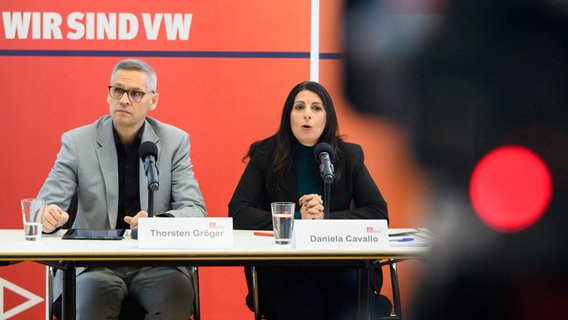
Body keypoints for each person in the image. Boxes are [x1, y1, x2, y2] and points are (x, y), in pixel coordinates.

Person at [37, 58, 207, 319]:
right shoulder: (77, 142)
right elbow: (43, 206)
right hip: (94, 265)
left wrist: (157, 223)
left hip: (157, 264)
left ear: (153, 100)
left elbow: (196, 211)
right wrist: (48, 216)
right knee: (91, 305)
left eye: (136, 93)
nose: (124, 100)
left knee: (174, 302)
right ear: (108, 95)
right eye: (117, 91)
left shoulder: (174, 143)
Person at [228, 81, 389, 320]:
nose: (307, 115)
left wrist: (325, 219)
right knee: (307, 304)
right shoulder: (265, 154)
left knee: (355, 303)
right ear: (288, 115)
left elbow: (379, 213)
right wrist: (296, 218)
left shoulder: (349, 156)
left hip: (340, 264)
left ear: (327, 117)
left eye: (316, 108)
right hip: (283, 269)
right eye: (299, 107)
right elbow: (238, 212)